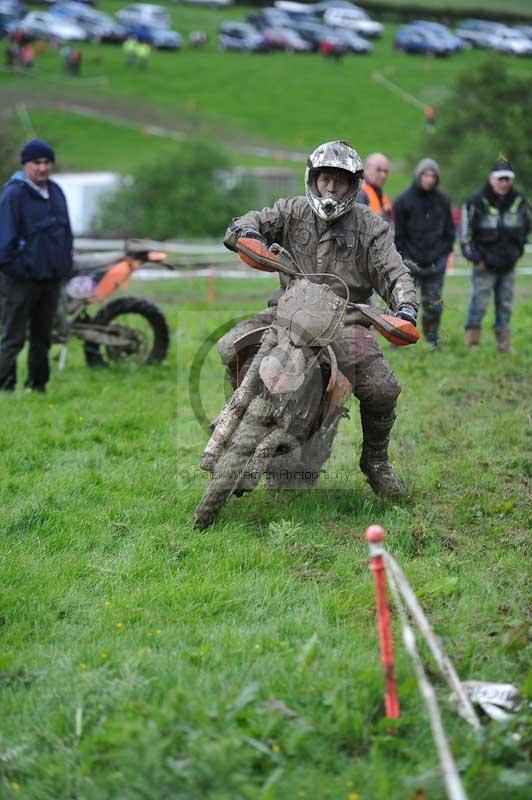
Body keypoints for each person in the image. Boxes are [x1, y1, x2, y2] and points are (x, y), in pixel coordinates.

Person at [219, 140, 418, 498]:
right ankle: (244, 417)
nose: (330, 188)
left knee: (381, 388)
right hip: (288, 308)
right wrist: (246, 234)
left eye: (339, 182)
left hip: (347, 318)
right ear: (313, 179)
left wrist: (405, 308)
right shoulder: (292, 210)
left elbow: (395, 272)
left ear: (352, 185)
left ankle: (375, 461)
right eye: (325, 179)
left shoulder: (371, 226)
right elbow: (252, 220)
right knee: (227, 347)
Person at [0, 139, 73, 393]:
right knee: (13, 338)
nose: (42, 168)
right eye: (36, 163)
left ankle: (38, 385)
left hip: (51, 281)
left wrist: (64, 266)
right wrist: (22, 270)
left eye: (46, 162)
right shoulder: (14, 194)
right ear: (25, 165)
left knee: (43, 339)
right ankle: (5, 387)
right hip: (21, 281)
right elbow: (4, 243)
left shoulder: (55, 192)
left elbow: (66, 234)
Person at [461, 159, 531, 353]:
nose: (504, 183)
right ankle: (472, 343)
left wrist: (518, 252)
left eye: (508, 179)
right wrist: (476, 259)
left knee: (506, 305)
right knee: (479, 304)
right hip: (484, 266)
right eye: (500, 178)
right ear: (491, 179)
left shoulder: (519, 201)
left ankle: (504, 345)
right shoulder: (476, 201)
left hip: (508, 265)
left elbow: (526, 229)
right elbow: (465, 235)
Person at [393, 158, 455, 351]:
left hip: (435, 263)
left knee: (433, 306)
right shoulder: (403, 201)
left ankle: (432, 340)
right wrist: (406, 259)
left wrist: (442, 257)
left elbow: (449, 233)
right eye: (425, 175)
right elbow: (399, 235)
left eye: (433, 176)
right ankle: (397, 339)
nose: (429, 179)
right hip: (410, 263)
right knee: (403, 303)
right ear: (418, 175)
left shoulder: (443, 201)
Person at [357, 152, 393, 224]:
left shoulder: (380, 194)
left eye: (386, 171)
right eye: (378, 170)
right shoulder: (359, 194)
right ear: (366, 169)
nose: (383, 175)